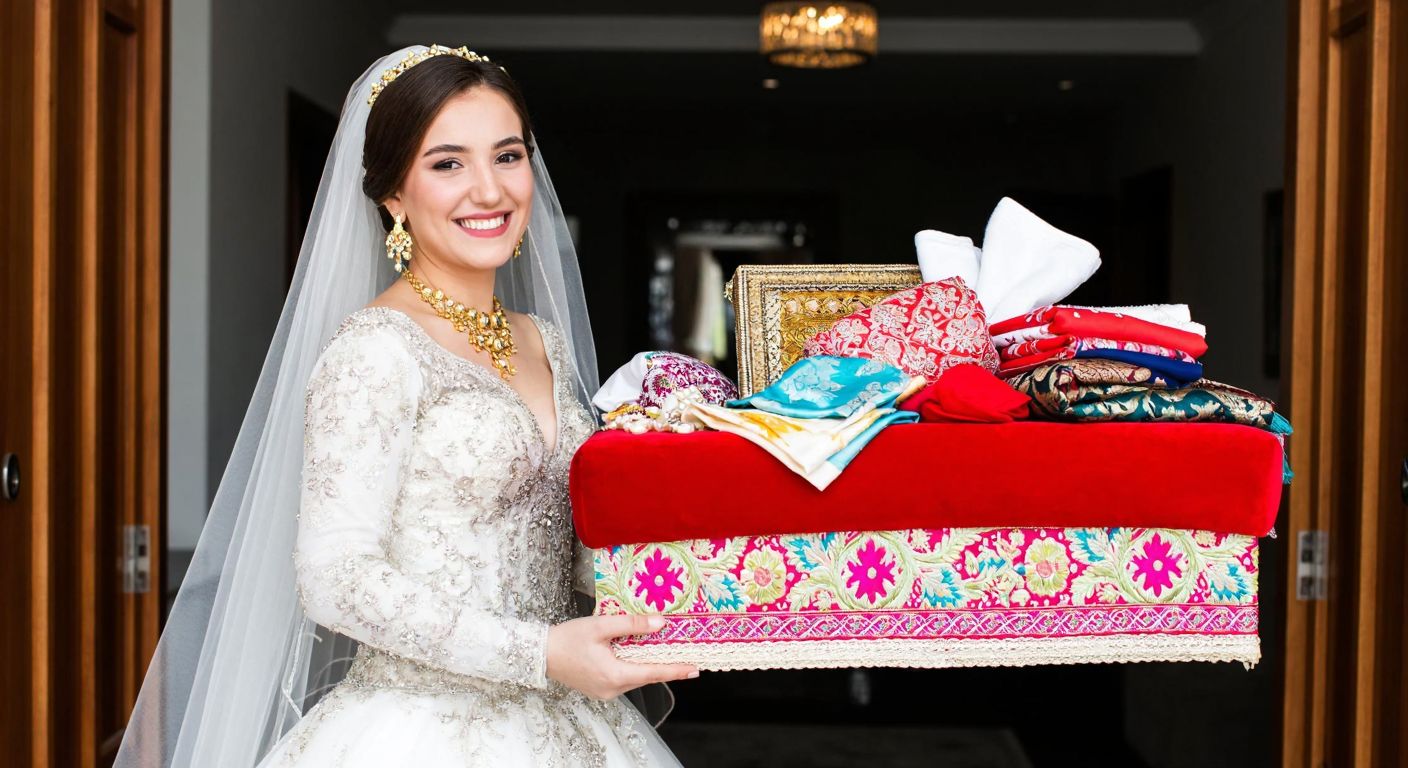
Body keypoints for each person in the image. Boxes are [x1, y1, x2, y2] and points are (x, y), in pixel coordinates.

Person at [116, 45, 693, 767]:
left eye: (507, 156)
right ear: (393, 194)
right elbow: (335, 579)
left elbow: (561, 537)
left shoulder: (543, 341)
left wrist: (701, 579)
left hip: (572, 721)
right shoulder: (375, 352)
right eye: (447, 163)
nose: (489, 190)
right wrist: (538, 652)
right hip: (418, 730)